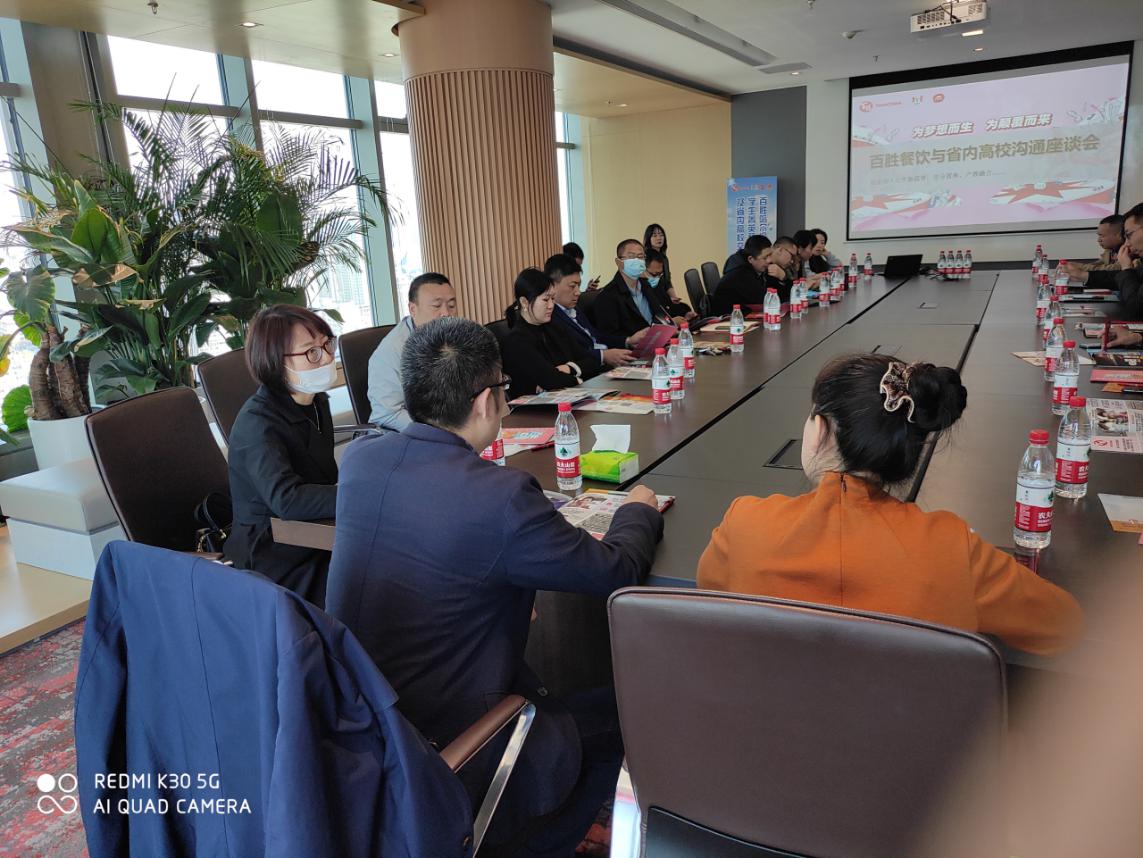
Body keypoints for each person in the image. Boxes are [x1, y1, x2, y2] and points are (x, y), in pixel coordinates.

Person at [325, 317, 664, 857]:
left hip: (364, 726)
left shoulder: (361, 460)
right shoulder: (501, 496)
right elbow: (614, 571)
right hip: (458, 740)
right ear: (487, 400)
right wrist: (635, 511)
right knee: (637, 713)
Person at [697, 353, 1083, 656]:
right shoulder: (953, 549)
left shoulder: (745, 524)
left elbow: (707, 597)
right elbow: (1064, 624)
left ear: (820, 429)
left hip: (760, 732)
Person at [224, 305, 340, 607]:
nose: (327, 358)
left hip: (313, 531)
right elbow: (287, 500)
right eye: (311, 352)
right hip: (273, 550)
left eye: (327, 344)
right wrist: (359, 492)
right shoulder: (258, 422)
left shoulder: (316, 401)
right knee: (367, 585)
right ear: (276, 361)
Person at [367, 272, 457, 429]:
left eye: (451, 305)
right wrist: (440, 430)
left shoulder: (454, 334)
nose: (446, 313)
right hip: (407, 434)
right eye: (436, 306)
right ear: (413, 309)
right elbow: (388, 414)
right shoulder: (391, 351)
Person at [501, 267, 606, 400]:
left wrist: (569, 369)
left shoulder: (554, 327)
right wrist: (578, 379)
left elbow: (592, 362)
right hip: (536, 409)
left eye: (552, 299)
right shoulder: (517, 341)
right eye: (546, 300)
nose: (551, 305)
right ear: (524, 302)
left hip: (569, 401)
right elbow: (552, 381)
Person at [546, 253, 634, 367]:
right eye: (572, 286)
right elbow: (573, 353)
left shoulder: (574, 309)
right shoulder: (549, 316)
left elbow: (597, 338)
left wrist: (628, 341)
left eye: (579, 285)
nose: (578, 292)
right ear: (552, 286)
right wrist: (603, 356)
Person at [591, 238, 674, 347]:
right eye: (631, 257)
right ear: (619, 262)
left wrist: (669, 325)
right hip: (631, 351)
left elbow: (659, 312)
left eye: (640, 257)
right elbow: (605, 337)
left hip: (656, 343)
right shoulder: (607, 296)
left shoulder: (645, 285)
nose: (637, 261)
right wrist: (629, 340)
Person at [711, 235, 788, 314]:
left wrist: (782, 277)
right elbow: (766, 300)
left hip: (743, 312)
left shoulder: (759, 267)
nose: (769, 260)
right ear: (751, 259)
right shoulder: (740, 274)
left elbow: (777, 294)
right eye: (765, 258)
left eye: (770, 255)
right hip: (728, 317)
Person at [1064, 214, 1125, 283]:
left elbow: (1115, 268)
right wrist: (1076, 266)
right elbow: (1098, 265)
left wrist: (1081, 267)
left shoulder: (1129, 251)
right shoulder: (1110, 250)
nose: (1099, 240)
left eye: (1102, 236)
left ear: (1119, 235)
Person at [645, 248, 695, 320]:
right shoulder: (639, 291)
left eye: (660, 274)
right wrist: (671, 321)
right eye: (654, 274)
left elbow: (668, 307)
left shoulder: (659, 284)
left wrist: (685, 314)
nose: (657, 277)